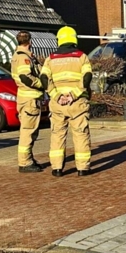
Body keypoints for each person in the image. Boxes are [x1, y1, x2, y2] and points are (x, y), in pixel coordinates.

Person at [41, 26, 93, 176]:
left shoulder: (50, 58)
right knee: (81, 134)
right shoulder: (81, 56)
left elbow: (44, 78)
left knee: (57, 135)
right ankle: (82, 168)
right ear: (74, 39)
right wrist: (73, 94)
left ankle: (57, 168)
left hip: (57, 104)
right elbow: (87, 77)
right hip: (77, 103)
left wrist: (56, 95)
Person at [10, 31, 44, 173]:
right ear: (30, 42)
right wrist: (41, 84)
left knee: (29, 131)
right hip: (30, 99)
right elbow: (25, 77)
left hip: (25, 98)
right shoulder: (24, 57)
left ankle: (28, 158)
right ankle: (25, 162)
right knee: (28, 132)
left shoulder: (19, 56)